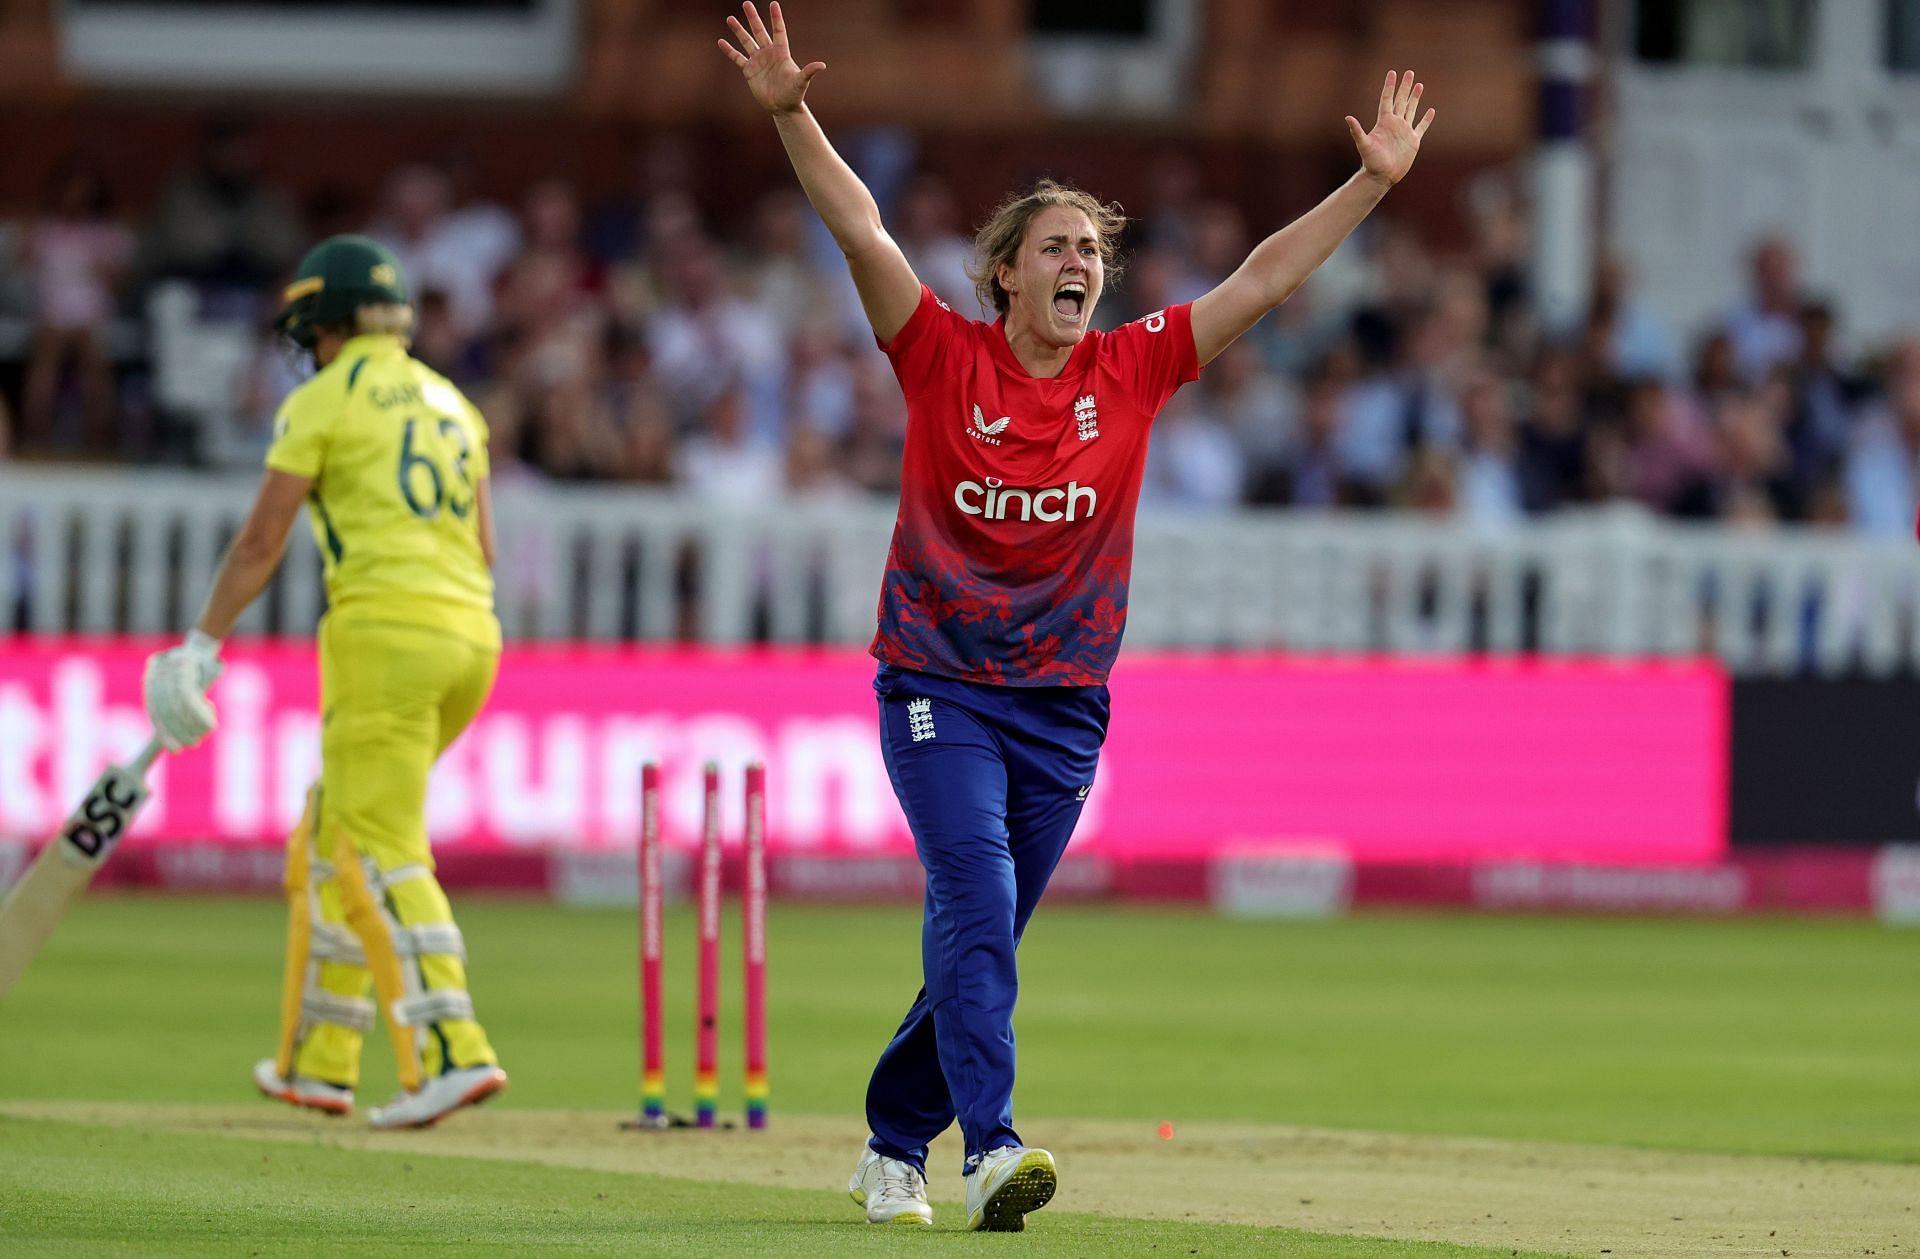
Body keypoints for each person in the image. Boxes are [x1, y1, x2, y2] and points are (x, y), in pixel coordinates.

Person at [718, 1, 1434, 1232]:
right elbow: (859, 226)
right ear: (1006, 270)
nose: (1077, 265)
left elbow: (1263, 277)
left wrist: (1369, 185)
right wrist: (792, 112)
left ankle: (892, 1139)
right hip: (938, 684)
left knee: (977, 937)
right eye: (1053, 247)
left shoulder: (1134, 368)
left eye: (1091, 251)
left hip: (1067, 705)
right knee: (979, 906)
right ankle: (990, 1148)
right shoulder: (939, 352)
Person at [141, 235, 509, 1130]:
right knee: (328, 831)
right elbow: (488, 546)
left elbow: (261, 539)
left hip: (385, 634)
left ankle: (452, 1050)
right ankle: (320, 1061)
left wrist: (200, 645)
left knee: (376, 840)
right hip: (473, 637)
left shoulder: (324, 398)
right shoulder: (455, 402)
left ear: (326, 324)